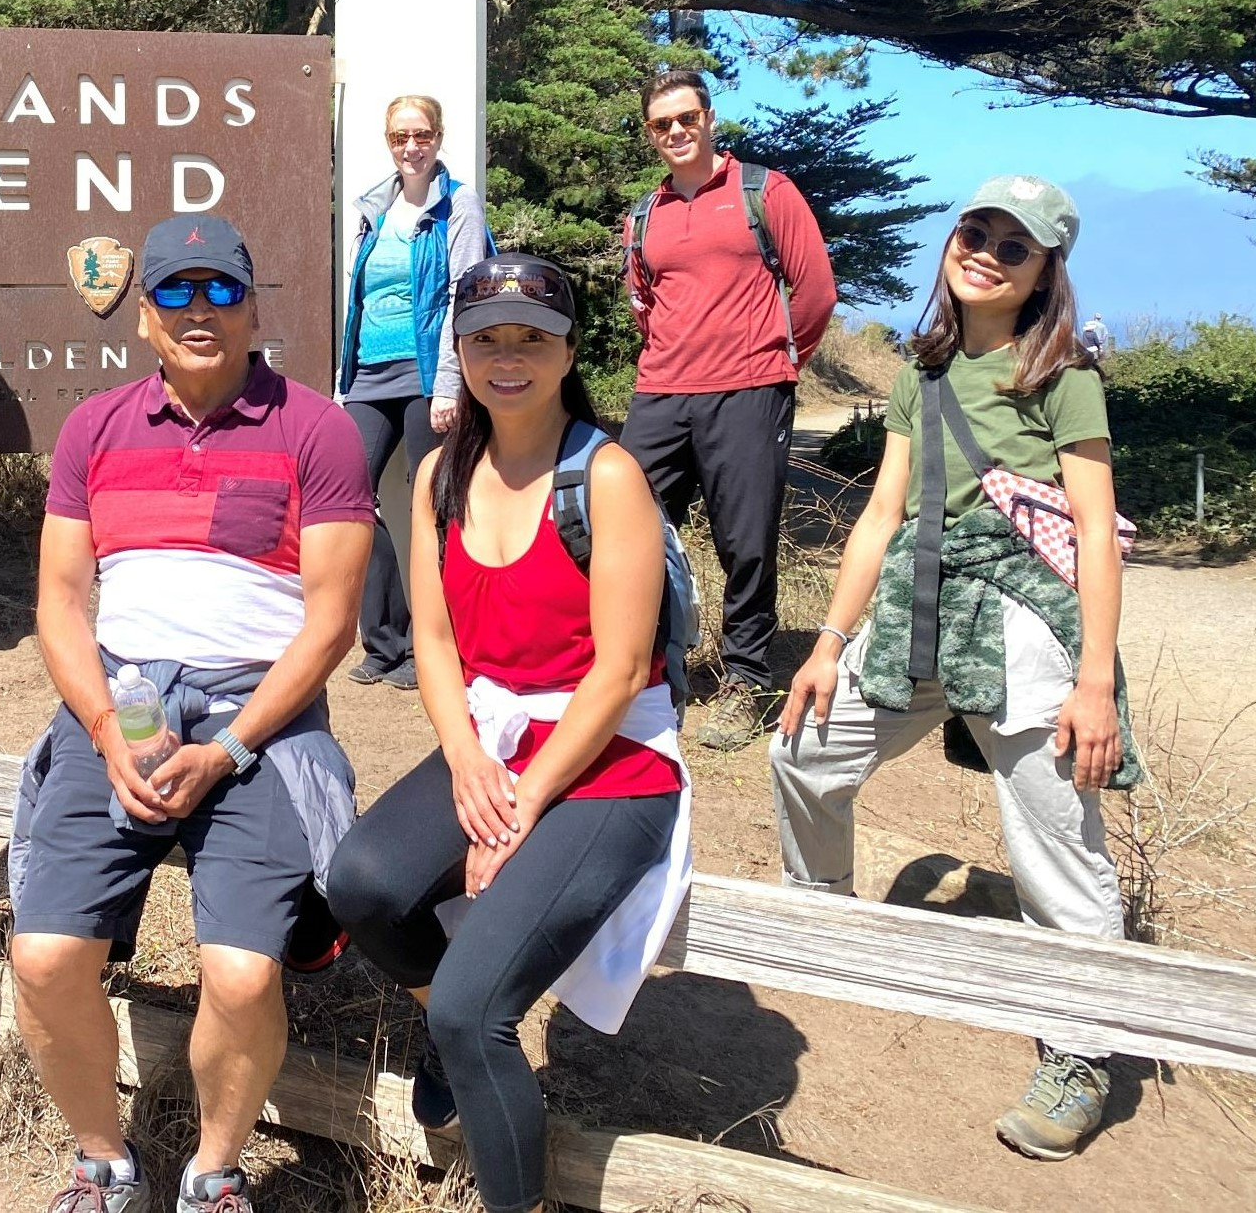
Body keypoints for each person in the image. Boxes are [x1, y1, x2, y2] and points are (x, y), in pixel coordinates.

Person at [9, 214, 372, 1213]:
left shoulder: (317, 430)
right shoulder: (95, 428)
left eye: (222, 290)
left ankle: (213, 1170)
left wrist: (228, 751)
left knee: (247, 977)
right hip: (123, 707)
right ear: (143, 317)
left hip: (261, 719)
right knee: (42, 955)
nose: (200, 310)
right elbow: (61, 603)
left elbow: (332, 622)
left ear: (254, 309)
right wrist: (104, 731)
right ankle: (101, 1160)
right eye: (176, 291)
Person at [773, 175, 1134, 1162]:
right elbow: (880, 516)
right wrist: (829, 643)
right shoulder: (919, 369)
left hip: (1020, 620)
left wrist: (1094, 679)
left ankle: (1082, 1051)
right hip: (918, 610)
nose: (983, 251)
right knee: (802, 752)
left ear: (1044, 272)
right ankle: (827, 916)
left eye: (1012, 246)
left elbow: (1096, 532)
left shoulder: (1061, 375)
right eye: (975, 230)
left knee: (1056, 848)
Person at [328, 256, 688, 1213]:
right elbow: (434, 641)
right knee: (360, 883)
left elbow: (615, 674)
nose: (508, 356)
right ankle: (447, 1029)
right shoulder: (441, 473)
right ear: (460, 350)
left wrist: (516, 810)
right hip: (494, 739)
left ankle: (503, 1169)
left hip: (611, 760)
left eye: (531, 336)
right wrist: (462, 758)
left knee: (472, 1009)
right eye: (486, 336)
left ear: (569, 351)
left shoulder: (605, 477)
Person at [621, 68, 835, 750]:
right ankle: (640, 669)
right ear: (650, 134)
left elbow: (815, 291)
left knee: (744, 545)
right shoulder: (642, 215)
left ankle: (745, 681)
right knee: (624, 533)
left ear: (710, 118)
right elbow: (644, 307)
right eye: (662, 124)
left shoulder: (763, 191)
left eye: (686, 118)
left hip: (747, 391)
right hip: (659, 392)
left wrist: (776, 360)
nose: (676, 132)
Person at [335, 94, 492, 691]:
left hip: (429, 375)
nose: (411, 146)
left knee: (436, 507)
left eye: (421, 134)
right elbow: (361, 297)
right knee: (351, 494)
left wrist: (450, 385)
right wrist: (343, 378)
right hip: (369, 372)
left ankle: (444, 645)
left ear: (438, 136)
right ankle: (385, 644)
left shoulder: (459, 207)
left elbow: (462, 295)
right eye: (400, 136)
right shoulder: (376, 207)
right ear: (388, 140)